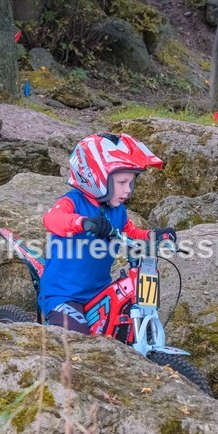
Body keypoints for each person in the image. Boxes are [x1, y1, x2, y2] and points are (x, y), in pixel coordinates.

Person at [40, 133, 176, 334]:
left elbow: (130, 232)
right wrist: (83, 222)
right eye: (122, 182)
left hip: (99, 291)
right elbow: (52, 219)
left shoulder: (117, 211)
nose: (128, 190)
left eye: (131, 183)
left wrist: (153, 236)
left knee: (122, 330)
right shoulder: (73, 202)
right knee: (78, 337)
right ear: (95, 177)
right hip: (63, 294)